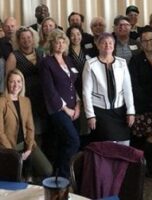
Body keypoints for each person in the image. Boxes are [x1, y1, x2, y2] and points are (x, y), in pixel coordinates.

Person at [40, 29, 80, 178]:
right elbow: (49, 90)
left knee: (64, 143)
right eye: (57, 41)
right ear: (51, 44)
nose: (60, 44)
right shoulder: (46, 62)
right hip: (58, 110)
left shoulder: (68, 60)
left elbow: (73, 85)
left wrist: (77, 105)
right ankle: (64, 176)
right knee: (73, 141)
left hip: (73, 107)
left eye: (63, 41)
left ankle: (57, 173)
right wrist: (66, 109)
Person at [82, 32, 135, 146]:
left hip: (120, 110)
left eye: (110, 43)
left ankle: (122, 165)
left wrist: (131, 111)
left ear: (114, 45)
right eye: (104, 43)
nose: (108, 45)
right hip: (100, 111)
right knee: (109, 146)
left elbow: (128, 89)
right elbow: (86, 92)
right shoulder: (90, 64)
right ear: (98, 45)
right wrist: (90, 115)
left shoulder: (122, 62)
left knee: (125, 143)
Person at [0, 69, 52, 181]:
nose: (16, 85)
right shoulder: (2, 102)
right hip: (8, 147)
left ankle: (31, 184)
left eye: (19, 81)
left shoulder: (26, 101)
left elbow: (30, 127)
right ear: (7, 83)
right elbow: (0, 132)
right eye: (12, 81)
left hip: (27, 144)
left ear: (22, 83)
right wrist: (12, 153)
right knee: (17, 179)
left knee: (47, 170)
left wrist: (28, 149)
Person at [129, 26, 152, 176]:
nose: (149, 43)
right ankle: (142, 165)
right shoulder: (135, 60)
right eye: (145, 40)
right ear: (141, 43)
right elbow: (134, 86)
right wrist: (150, 100)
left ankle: (145, 164)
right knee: (142, 139)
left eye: (151, 40)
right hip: (142, 106)